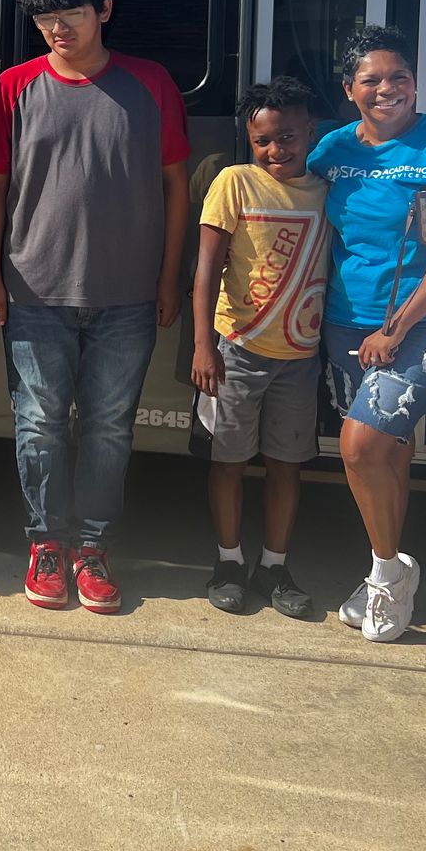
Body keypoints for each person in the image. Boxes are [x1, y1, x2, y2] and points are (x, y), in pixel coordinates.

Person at [0, 0, 189, 614]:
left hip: (127, 295)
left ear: (105, 11)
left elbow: (177, 185)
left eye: (70, 13)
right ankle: (46, 545)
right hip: (34, 292)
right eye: (44, 17)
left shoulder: (151, 84)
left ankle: (92, 550)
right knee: (38, 425)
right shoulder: (13, 87)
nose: (56, 28)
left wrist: (169, 277)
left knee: (107, 429)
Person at [309, 26, 426, 643]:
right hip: (346, 320)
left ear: (415, 81)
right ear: (348, 89)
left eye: (400, 77)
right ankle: (385, 566)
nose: (388, 89)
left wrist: (397, 327)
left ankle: (387, 576)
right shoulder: (332, 151)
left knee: (358, 447)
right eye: (372, 80)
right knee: (386, 450)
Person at [188, 77, 327, 618]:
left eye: (288, 137)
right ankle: (228, 561)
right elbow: (206, 269)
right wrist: (205, 345)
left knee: (286, 465)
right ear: (250, 139)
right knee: (227, 460)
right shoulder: (234, 181)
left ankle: (274, 565)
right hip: (236, 349)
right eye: (264, 140)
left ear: (311, 132)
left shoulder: (323, 188)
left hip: (299, 356)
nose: (276, 150)